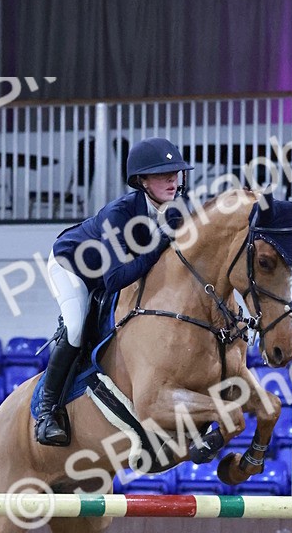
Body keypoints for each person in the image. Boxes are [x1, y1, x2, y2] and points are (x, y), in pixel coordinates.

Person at [35, 136, 193, 446]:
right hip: (73, 268)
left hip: (114, 271)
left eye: (175, 173)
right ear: (143, 181)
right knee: (76, 328)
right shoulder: (118, 214)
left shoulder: (177, 211)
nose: (173, 181)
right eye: (163, 174)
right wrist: (160, 241)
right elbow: (116, 278)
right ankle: (47, 412)